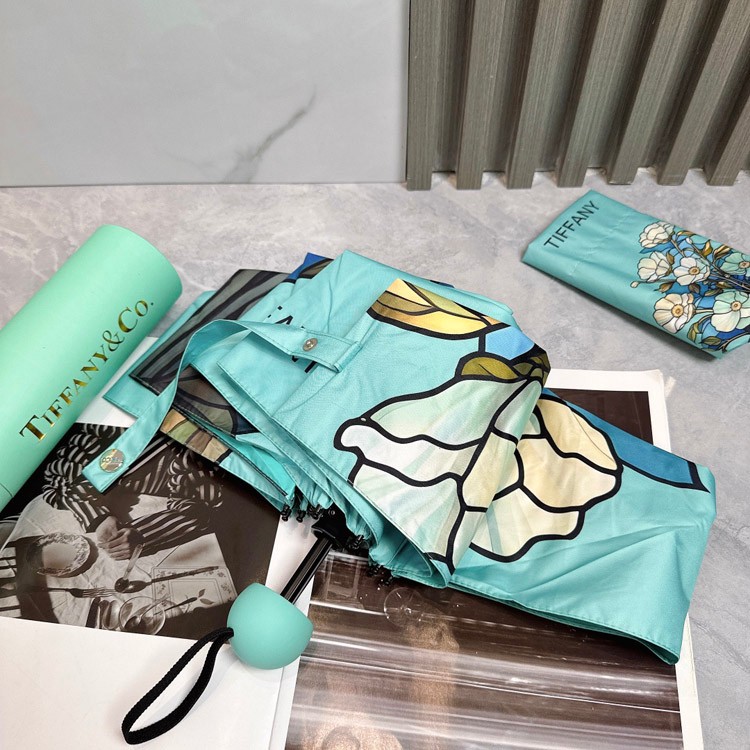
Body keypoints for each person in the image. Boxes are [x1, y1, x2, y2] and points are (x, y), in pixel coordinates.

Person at [42, 425, 223, 560]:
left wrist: (142, 534)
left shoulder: (185, 446)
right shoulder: (100, 429)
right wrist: (99, 518)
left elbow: (200, 508)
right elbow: (54, 484)